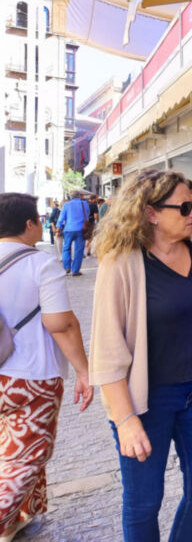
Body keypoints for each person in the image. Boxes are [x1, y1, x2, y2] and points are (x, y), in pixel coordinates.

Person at [89, 170, 192, 541]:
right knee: (144, 503)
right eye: (185, 206)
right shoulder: (121, 261)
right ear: (151, 213)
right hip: (147, 399)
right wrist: (125, 419)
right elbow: (106, 349)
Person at [0, 193, 93, 540]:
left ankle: (17, 518)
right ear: (29, 224)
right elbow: (61, 324)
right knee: (26, 457)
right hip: (30, 378)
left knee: (7, 448)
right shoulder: (41, 264)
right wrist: (84, 371)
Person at [56, 191, 89, 276]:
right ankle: (75, 271)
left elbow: (61, 218)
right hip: (81, 229)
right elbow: (87, 215)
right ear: (79, 195)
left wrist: (58, 229)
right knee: (79, 250)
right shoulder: (84, 203)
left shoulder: (66, 205)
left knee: (66, 248)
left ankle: (67, 267)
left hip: (68, 229)